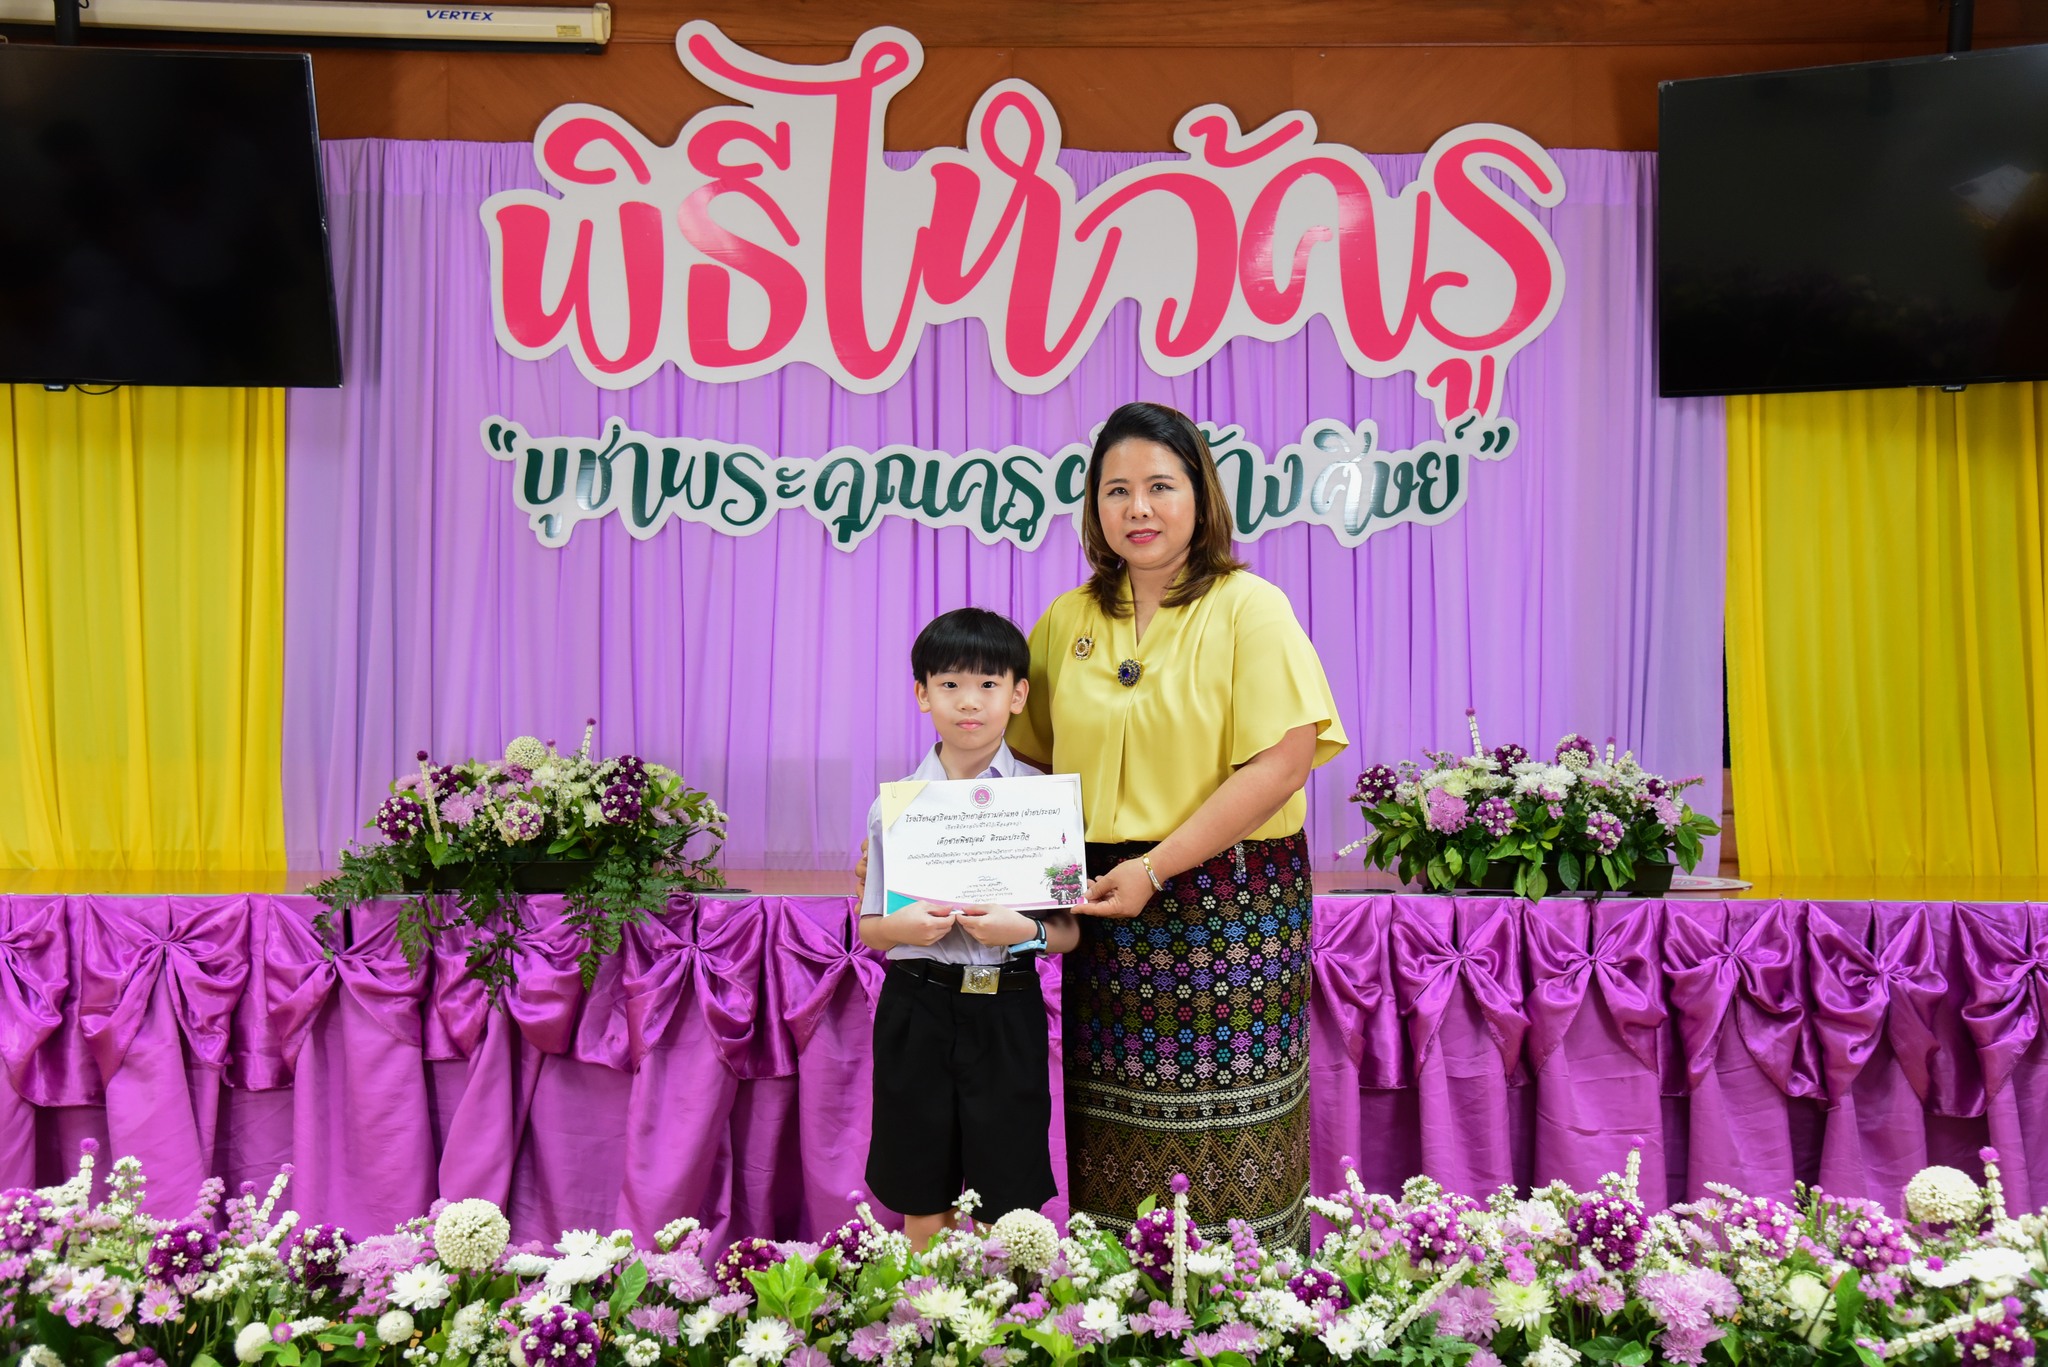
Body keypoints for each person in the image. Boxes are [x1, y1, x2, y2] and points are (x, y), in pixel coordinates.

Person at [1005, 401, 1347, 1249]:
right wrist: (910, 847)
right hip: (1105, 912)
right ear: (1094, 505)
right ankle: (1117, 1311)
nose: (1138, 508)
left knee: (1232, 1147)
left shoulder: (1249, 607)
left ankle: (1251, 1309)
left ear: (1200, 494)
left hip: (1229, 909)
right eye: (1116, 489)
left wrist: (1158, 866)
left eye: (1160, 486)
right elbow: (1016, 758)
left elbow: (1282, 763)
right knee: (1115, 1138)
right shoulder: (1068, 619)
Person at [858, 607, 1080, 1248]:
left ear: (1018, 695)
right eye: (950, 684)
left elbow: (1067, 934)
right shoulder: (896, 805)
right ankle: (924, 1306)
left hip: (1007, 1008)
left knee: (1005, 1193)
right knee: (919, 1186)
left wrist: (1024, 932)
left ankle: (1001, 1308)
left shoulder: (1045, 801)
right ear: (922, 694)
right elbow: (870, 929)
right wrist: (900, 925)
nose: (969, 701)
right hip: (916, 1008)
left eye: (988, 684)